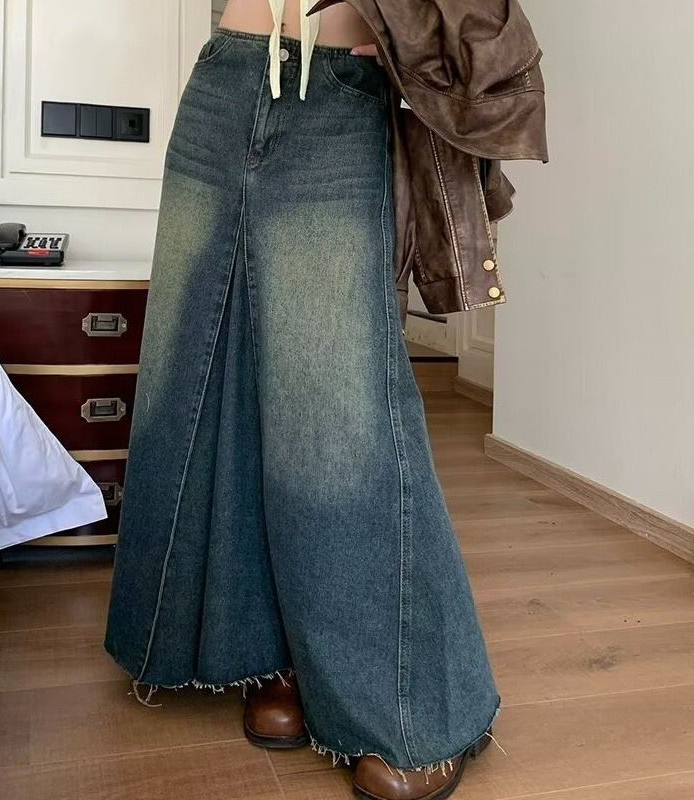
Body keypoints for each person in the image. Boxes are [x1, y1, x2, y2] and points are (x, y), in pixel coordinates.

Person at [105, 2, 547, 799]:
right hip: (224, 80)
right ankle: (271, 655)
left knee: (336, 403)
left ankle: (413, 708)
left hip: (340, 91)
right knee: (202, 368)